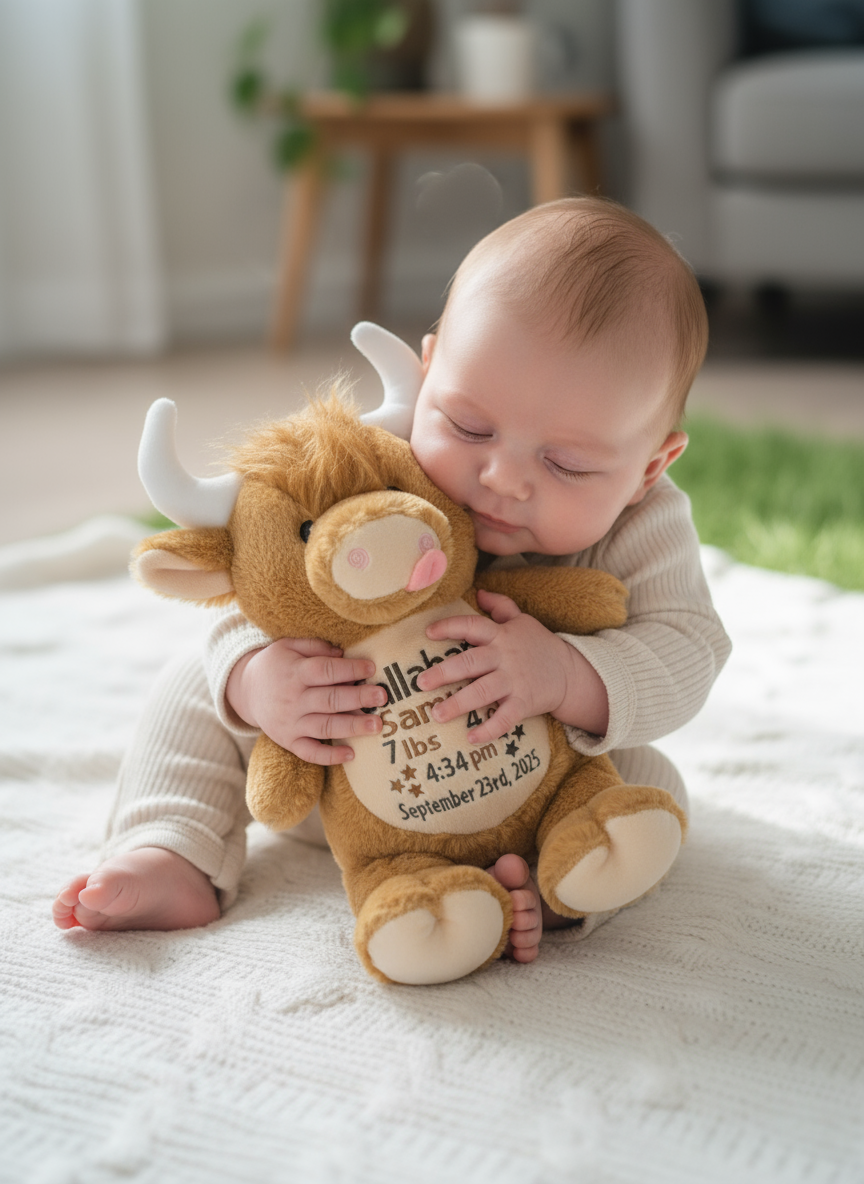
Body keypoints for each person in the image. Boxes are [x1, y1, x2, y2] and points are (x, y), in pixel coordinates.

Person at [53, 196, 731, 962]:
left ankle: (551, 889)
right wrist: (259, 680)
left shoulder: (648, 524)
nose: (501, 478)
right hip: (338, 769)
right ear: (428, 371)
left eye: (567, 463)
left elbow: (690, 646)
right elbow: (267, 573)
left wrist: (567, 675)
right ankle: (170, 848)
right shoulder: (382, 460)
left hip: (534, 786)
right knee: (197, 682)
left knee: (650, 787)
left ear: (649, 467)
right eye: (469, 427)